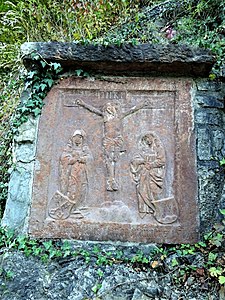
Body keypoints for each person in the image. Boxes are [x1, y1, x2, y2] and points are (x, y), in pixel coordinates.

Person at [76, 99, 150, 191]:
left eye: (110, 106)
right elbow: (93, 110)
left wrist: (142, 104)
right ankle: (111, 180)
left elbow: (132, 110)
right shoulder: (105, 117)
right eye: (107, 107)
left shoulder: (119, 116)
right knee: (109, 159)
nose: (108, 108)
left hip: (117, 140)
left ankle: (113, 180)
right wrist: (83, 103)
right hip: (108, 140)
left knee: (115, 159)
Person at [130, 132, 166, 218]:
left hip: (154, 174)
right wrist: (141, 161)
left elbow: (162, 161)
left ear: (153, 138)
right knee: (142, 189)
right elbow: (135, 159)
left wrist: (151, 165)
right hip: (144, 173)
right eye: (146, 139)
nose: (148, 140)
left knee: (153, 191)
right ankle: (144, 210)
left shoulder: (158, 148)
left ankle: (156, 210)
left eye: (149, 138)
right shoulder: (143, 149)